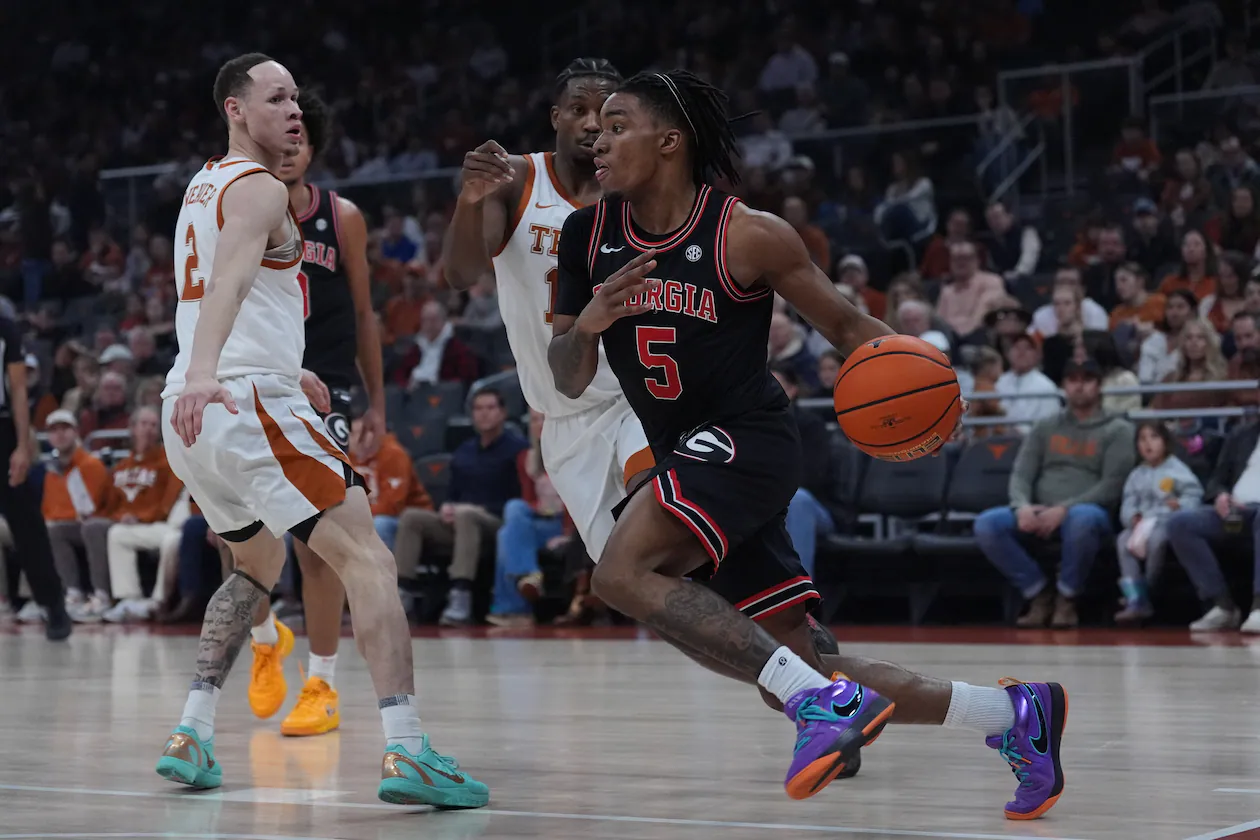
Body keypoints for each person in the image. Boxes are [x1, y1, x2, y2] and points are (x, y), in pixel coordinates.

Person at [549, 68, 1066, 818]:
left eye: (619, 123)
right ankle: (1014, 715)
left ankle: (819, 707)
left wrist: (937, 396)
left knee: (620, 572)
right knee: (798, 663)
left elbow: (855, 330)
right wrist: (593, 318)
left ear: (670, 141)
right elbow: (568, 377)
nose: (598, 137)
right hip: (682, 455)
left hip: (748, 440)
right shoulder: (585, 235)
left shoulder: (746, 233)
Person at [154, 53, 487, 809]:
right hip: (235, 399)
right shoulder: (265, 188)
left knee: (253, 569)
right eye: (276, 99)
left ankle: (191, 730)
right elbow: (234, 278)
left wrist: (269, 367)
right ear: (236, 110)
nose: (294, 111)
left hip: (207, 414)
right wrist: (216, 373)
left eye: (297, 98)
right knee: (368, 558)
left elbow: (230, 291)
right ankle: (407, 750)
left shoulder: (203, 184)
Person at [441, 59, 664, 590]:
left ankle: (786, 643)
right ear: (556, 116)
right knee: (628, 579)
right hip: (561, 412)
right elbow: (459, 274)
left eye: (608, 116)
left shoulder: (640, 191)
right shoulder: (516, 179)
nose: (593, 124)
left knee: (666, 513)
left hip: (638, 394)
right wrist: (469, 202)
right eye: (580, 111)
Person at [239, 89, 390, 739]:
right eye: (282, 142)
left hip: (324, 388)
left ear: (312, 149)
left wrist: (377, 401)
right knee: (240, 538)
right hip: (252, 380)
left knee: (319, 541)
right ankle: (266, 638)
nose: (291, 151)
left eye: (301, 142)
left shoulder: (342, 216)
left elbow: (363, 313)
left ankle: (322, 680)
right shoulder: (239, 208)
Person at [974, 359, 1135, 629]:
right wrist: (1022, 506)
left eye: (1087, 380)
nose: (1079, 386)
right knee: (987, 524)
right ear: (1063, 386)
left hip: (1089, 511)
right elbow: (1022, 474)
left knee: (1081, 519)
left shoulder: (1118, 430)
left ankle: (1067, 596)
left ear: (1099, 386)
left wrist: (1064, 509)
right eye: (1073, 380)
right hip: (1039, 509)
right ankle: (1038, 592)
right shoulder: (1045, 426)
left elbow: (1112, 486)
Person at [0, 315, 71, 639]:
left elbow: (17, 388)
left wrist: (22, 445)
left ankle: (53, 604)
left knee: (28, 526)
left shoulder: (5, 326)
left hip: (3, 430)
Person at [1115, 422, 1202, 623]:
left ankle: (1147, 590)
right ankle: (1134, 595)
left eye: (1154, 437)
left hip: (1164, 522)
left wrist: (1180, 504)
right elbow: (1128, 501)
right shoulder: (1136, 475)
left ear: (1165, 441)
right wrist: (1132, 516)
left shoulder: (1177, 469)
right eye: (1142, 439)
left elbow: (1194, 494)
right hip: (1141, 524)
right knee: (1123, 541)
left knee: (1157, 541)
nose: (1148, 444)